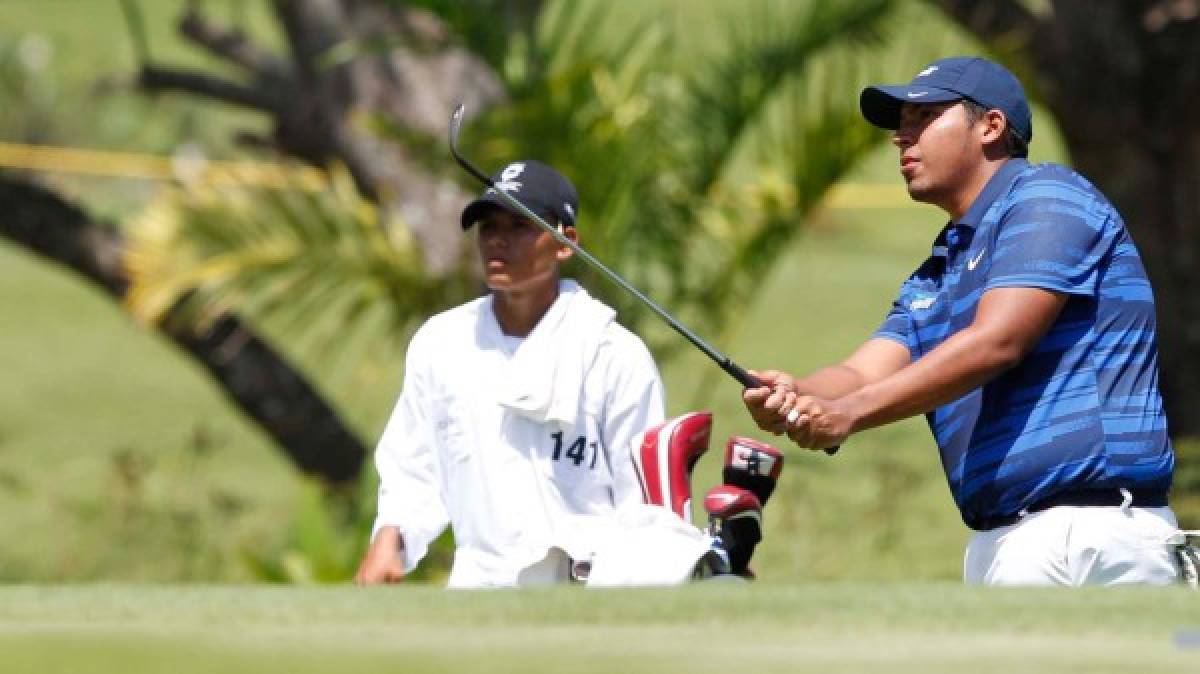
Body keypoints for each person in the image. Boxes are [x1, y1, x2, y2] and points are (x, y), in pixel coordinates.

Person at [742, 57, 1181, 586]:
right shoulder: (937, 272)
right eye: (900, 124)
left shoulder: (1049, 196)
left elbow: (999, 342)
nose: (901, 138)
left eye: (923, 117)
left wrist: (849, 414)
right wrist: (797, 395)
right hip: (1004, 541)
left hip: (1093, 534)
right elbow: (862, 373)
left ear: (991, 127)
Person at [354, 160, 772, 587]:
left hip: (587, 595)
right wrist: (391, 539)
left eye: (519, 226)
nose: (498, 240)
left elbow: (645, 506)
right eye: (488, 226)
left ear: (564, 243)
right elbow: (413, 466)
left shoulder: (614, 355)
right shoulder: (441, 343)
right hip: (476, 592)